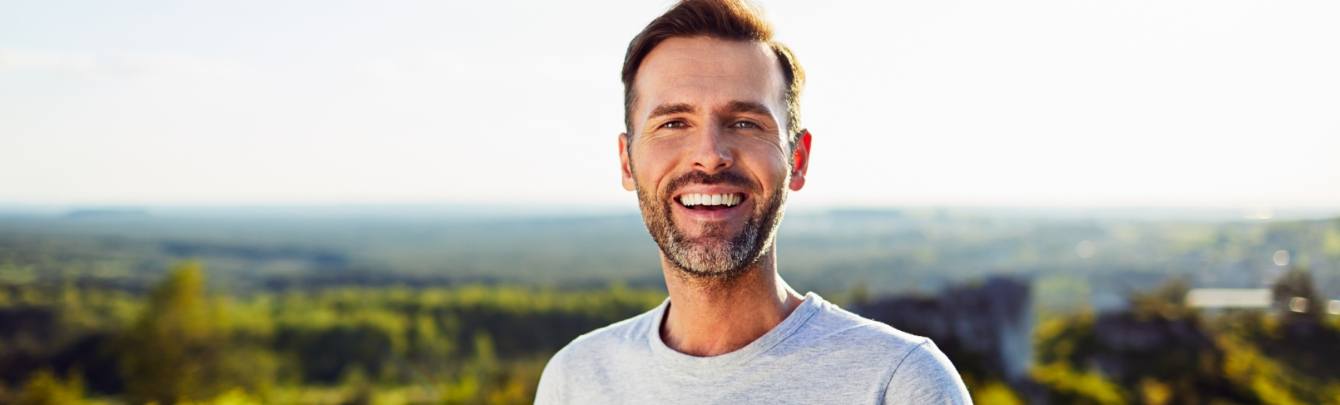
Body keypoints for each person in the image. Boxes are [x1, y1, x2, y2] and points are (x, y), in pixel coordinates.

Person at [535, 0, 971, 403]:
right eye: (673, 123)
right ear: (627, 163)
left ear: (797, 160)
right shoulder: (575, 379)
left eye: (744, 122)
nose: (709, 154)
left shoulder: (899, 382)